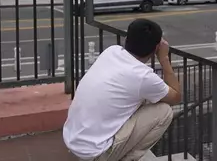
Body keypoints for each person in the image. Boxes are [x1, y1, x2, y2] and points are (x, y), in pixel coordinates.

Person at [63, 19, 181, 161]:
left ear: (126, 39)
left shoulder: (111, 52)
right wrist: (164, 59)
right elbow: (176, 97)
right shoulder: (142, 76)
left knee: (142, 97)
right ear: (156, 48)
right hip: (95, 154)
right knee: (164, 111)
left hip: (73, 139)